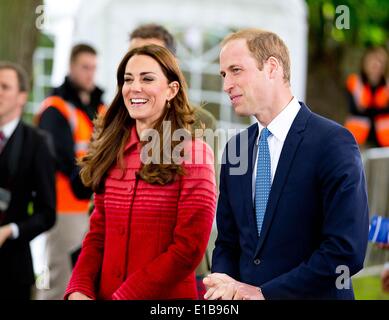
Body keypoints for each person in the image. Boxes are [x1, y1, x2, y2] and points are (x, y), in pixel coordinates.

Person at [203, 28, 369, 300]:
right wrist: (223, 283)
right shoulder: (236, 148)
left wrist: (265, 294)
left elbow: (345, 250)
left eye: (235, 70)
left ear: (271, 68)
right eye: (224, 75)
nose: (226, 85)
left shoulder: (333, 142)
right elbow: (228, 242)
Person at [64, 44, 216, 300]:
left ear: (171, 89)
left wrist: (124, 297)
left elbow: (187, 250)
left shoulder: (195, 154)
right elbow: (98, 234)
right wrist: (79, 288)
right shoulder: (112, 151)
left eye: (147, 79)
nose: (135, 87)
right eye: (128, 79)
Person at [129, 23, 218, 297]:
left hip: (181, 265)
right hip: (122, 258)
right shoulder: (112, 121)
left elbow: (201, 203)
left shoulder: (200, 122)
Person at [35, 44, 105, 300]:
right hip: (67, 207)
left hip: (95, 207)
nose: (90, 74)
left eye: (93, 68)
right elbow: (63, 160)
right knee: (61, 282)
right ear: (71, 67)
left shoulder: (100, 109)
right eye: (84, 67)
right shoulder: (55, 109)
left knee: (86, 285)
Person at [0, 62, 56, 299]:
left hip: (11, 271)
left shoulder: (37, 143)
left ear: (22, 97)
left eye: (4, 87)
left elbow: (47, 213)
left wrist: (10, 231)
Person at [344, 47, 389, 148]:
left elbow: (363, 109)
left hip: (384, 143)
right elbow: (354, 109)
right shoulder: (354, 82)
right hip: (358, 141)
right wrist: (380, 110)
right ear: (364, 62)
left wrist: (367, 109)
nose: (376, 64)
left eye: (380, 61)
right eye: (372, 60)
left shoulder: (387, 86)